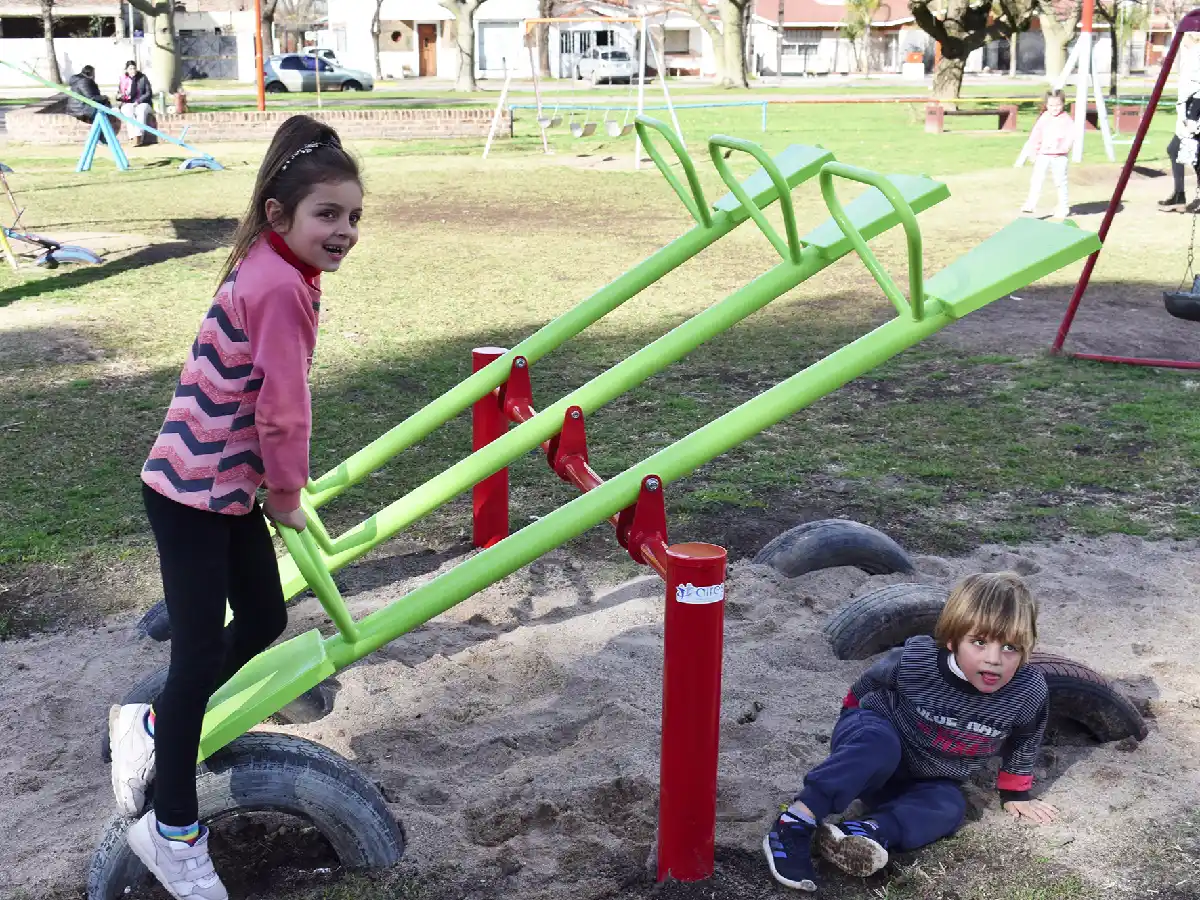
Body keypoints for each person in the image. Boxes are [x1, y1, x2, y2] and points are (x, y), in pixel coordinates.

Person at [107, 115, 363, 900]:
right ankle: (171, 829)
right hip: (193, 496)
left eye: (355, 217)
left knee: (259, 618)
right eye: (329, 215)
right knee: (193, 662)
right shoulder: (281, 285)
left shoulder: (268, 260)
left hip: (216, 489)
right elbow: (284, 411)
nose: (346, 231)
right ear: (281, 217)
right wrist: (285, 493)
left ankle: (151, 727)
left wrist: (266, 489)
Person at [763, 571, 1057, 892]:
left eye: (1010, 647)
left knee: (949, 806)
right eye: (979, 642)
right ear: (952, 640)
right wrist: (852, 721)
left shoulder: (1027, 690)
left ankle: (862, 832)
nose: (994, 659)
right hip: (880, 742)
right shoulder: (917, 660)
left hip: (930, 776)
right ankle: (795, 821)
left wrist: (1016, 792)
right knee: (876, 743)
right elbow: (870, 683)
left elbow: (1027, 736)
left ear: (1027, 649)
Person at [1020, 90, 1073, 220]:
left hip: (1059, 156)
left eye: (1057, 105)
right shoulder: (1044, 118)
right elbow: (1036, 135)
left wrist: (1063, 147)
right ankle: (1031, 203)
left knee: (1060, 182)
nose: (1054, 108)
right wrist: (1034, 151)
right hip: (1043, 154)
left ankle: (1063, 206)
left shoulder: (1067, 120)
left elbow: (1071, 136)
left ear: (1063, 104)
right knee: (1037, 179)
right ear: (1046, 105)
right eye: (1051, 106)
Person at [1159, 77, 1200, 213]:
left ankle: (1179, 196)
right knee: (1177, 150)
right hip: (1191, 104)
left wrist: (1193, 115)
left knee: (1177, 149)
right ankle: (1179, 195)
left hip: (1195, 109)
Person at [116, 60, 154, 147]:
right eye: (130, 69)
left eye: (134, 68)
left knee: (140, 111)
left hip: (143, 102)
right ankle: (132, 137)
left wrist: (138, 101)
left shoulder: (142, 78)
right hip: (129, 103)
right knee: (127, 110)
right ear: (126, 70)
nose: (133, 70)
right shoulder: (124, 80)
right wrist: (120, 96)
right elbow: (119, 93)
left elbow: (148, 93)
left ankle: (138, 136)